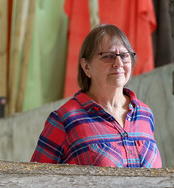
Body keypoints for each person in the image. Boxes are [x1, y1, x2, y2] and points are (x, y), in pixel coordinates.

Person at [31, 24, 162, 167]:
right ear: (86, 67)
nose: (118, 63)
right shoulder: (64, 120)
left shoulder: (144, 114)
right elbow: (34, 182)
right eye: (107, 56)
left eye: (124, 56)